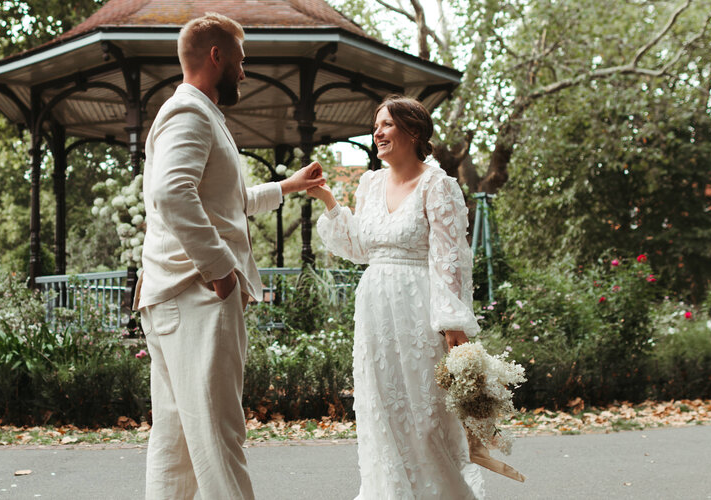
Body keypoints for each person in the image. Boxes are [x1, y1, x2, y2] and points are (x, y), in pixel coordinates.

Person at [135, 13, 324, 500]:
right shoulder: (189, 114)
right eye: (240, 60)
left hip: (173, 297)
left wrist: (289, 186)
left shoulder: (198, 114)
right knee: (220, 436)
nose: (244, 71)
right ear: (216, 56)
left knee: (176, 444)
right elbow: (172, 194)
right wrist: (221, 272)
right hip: (195, 296)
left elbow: (227, 200)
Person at [307, 95, 485, 499]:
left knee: (425, 415)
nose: (377, 132)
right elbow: (359, 246)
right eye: (376, 125)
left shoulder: (438, 185)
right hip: (374, 312)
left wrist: (453, 322)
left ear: (414, 131)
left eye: (386, 124)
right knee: (382, 414)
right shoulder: (370, 184)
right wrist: (328, 200)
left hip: (420, 312)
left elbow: (450, 258)